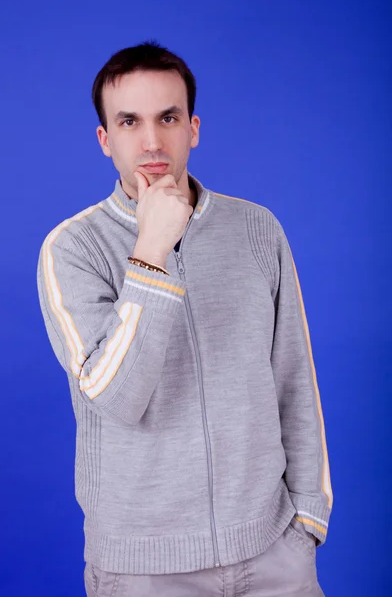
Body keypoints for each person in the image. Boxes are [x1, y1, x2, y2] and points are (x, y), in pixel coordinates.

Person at [36, 40, 333, 597]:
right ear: (105, 139)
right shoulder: (73, 248)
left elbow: (294, 379)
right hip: (145, 571)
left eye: (168, 118)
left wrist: (308, 521)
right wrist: (151, 249)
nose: (151, 141)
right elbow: (116, 394)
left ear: (193, 127)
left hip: (273, 554)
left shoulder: (256, 229)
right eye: (129, 121)